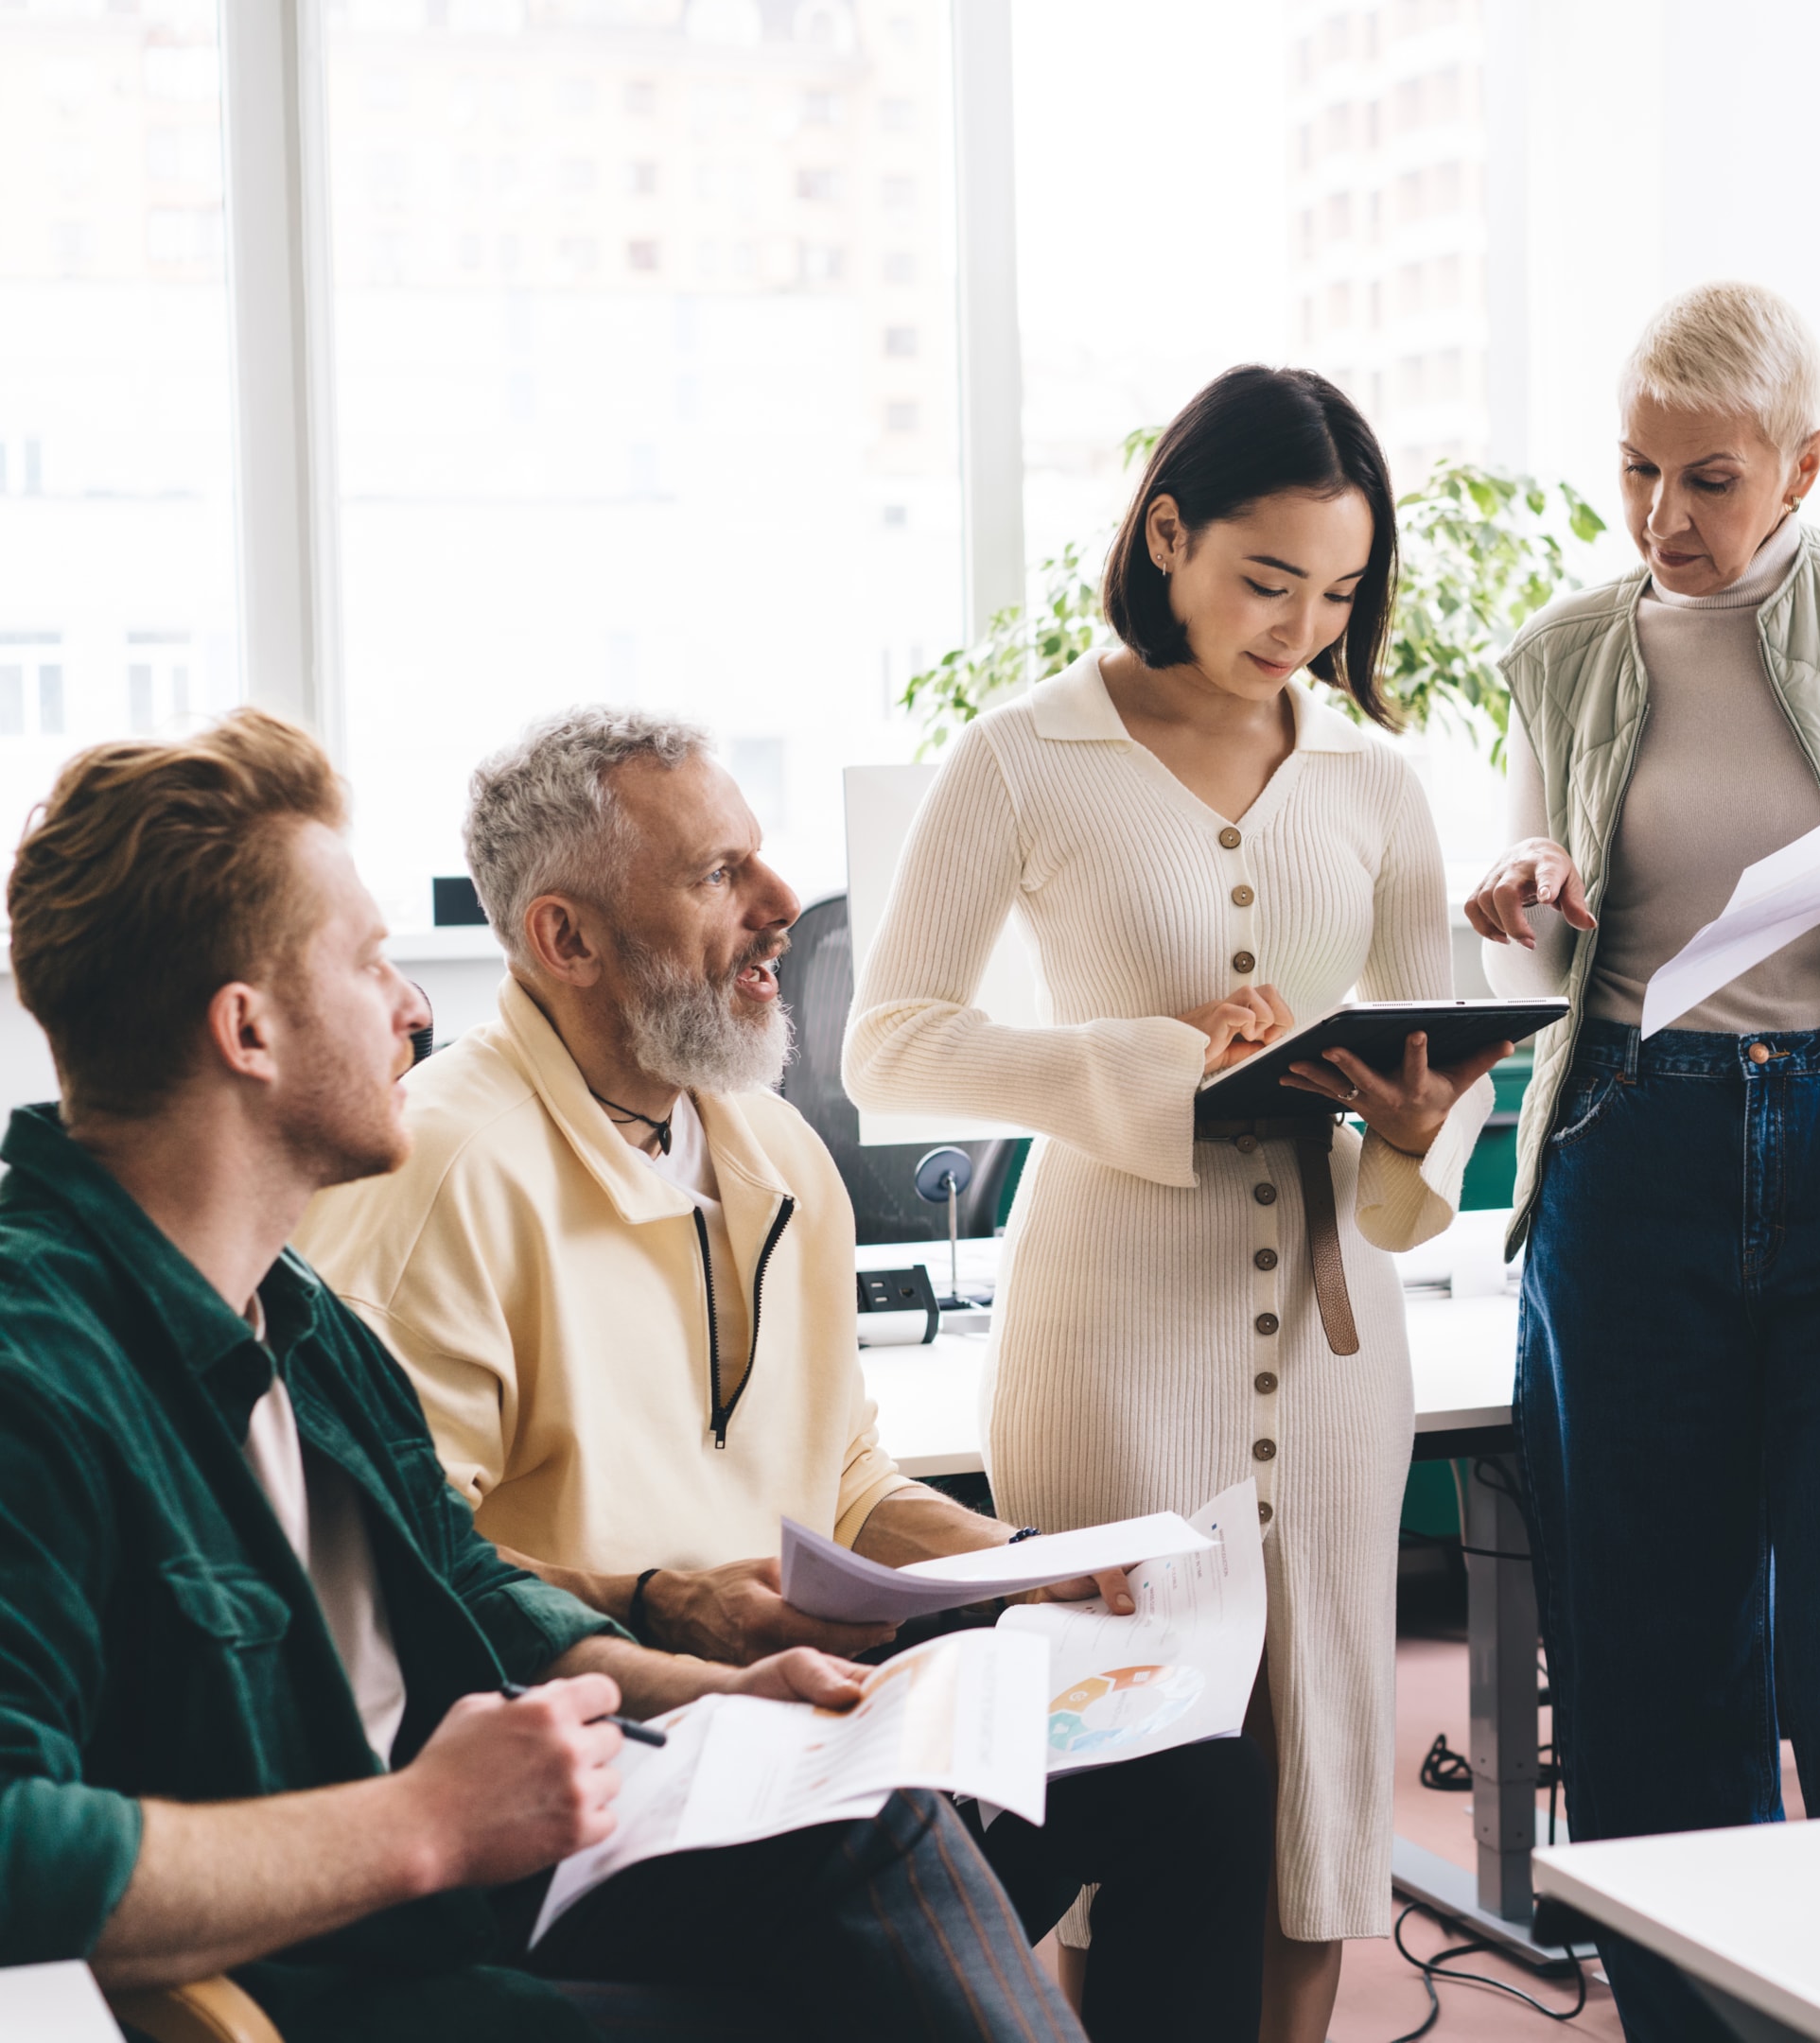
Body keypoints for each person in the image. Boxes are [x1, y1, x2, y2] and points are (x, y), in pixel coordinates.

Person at [0, 709, 1083, 2041]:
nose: (414, 1009)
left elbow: (464, 1583)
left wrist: (724, 1695)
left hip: (454, 1892)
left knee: (857, 1809)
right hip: (337, 1973)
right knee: (868, 1895)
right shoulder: (37, 1373)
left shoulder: (295, 1319)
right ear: (249, 1032)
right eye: (370, 963)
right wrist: (420, 1824)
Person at [293, 708, 1273, 2041]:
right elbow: (407, 1577)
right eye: (715, 875)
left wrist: (1018, 1561)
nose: (781, 904)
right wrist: (672, 1605)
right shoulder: (438, 1178)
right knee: (881, 1817)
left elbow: (845, 1477)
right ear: (564, 940)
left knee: (1189, 1763)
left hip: (802, 1691)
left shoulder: (767, 1145)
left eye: (757, 858)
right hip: (590, 1753)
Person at [843, 365, 1500, 2043]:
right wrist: (1147, 1066)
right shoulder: (1023, 754)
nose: (1299, 626)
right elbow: (889, 1041)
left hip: (1333, 1350)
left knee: (1315, 1778)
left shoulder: (1375, 781)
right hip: (1107, 1330)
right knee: (1121, 1756)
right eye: (1265, 578)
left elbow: (1445, 1058)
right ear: (1166, 534)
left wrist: (1423, 1116)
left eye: (1339, 592)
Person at [1468, 281, 1820, 2041]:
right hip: (1636, 1148)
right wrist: (1514, 910)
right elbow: (1536, 967)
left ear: (1804, 463)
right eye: (1634, 472)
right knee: (1648, 1661)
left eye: (1707, 478)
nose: (1662, 519)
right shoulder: (1567, 650)